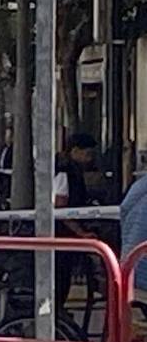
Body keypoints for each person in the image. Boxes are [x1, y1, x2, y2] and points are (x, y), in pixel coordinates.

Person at [53, 132, 100, 312]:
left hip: (65, 234)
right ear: (75, 151)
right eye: (87, 154)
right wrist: (80, 232)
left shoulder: (70, 169)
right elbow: (60, 207)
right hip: (62, 235)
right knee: (61, 277)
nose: (89, 159)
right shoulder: (65, 171)